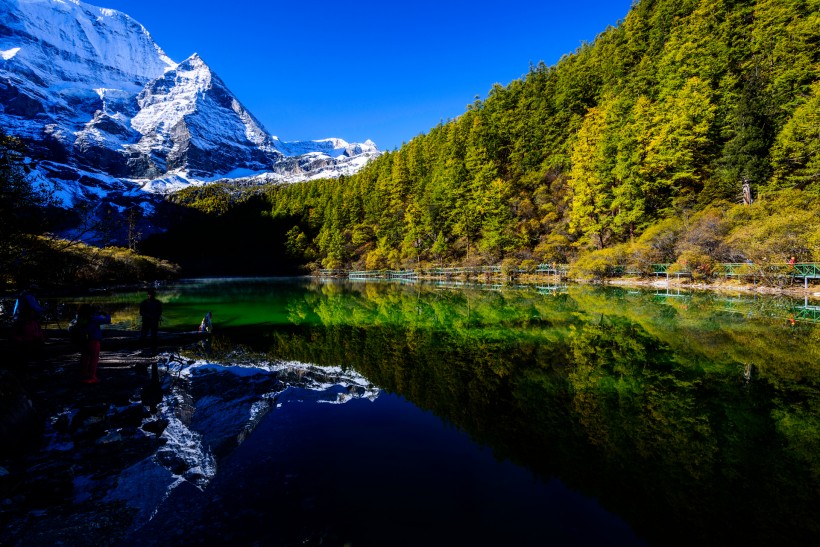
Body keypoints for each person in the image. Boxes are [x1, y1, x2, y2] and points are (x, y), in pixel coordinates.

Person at [76, 304, 111, 383]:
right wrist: (105, 314)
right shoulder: (94, 318)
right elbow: (107, 320)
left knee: (85, 357)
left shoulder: (79, 318)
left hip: (84, 341)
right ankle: (92, 377)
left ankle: (84, 373)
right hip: (94, 341)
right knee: (94, 359)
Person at [139, 288, 163, 352]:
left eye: (152, 294)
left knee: (153, 335)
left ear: (154, 295)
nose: (151, 295)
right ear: (148, 295)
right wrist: (149, 316)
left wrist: (154, 316)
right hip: (147, 321)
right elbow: (141, 312)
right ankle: (143, 347)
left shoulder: (157, 303)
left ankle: (153, 348)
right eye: (150, 294)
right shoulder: (144, 303)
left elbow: (160, 312)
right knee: (144, 334)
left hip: (153, 321)